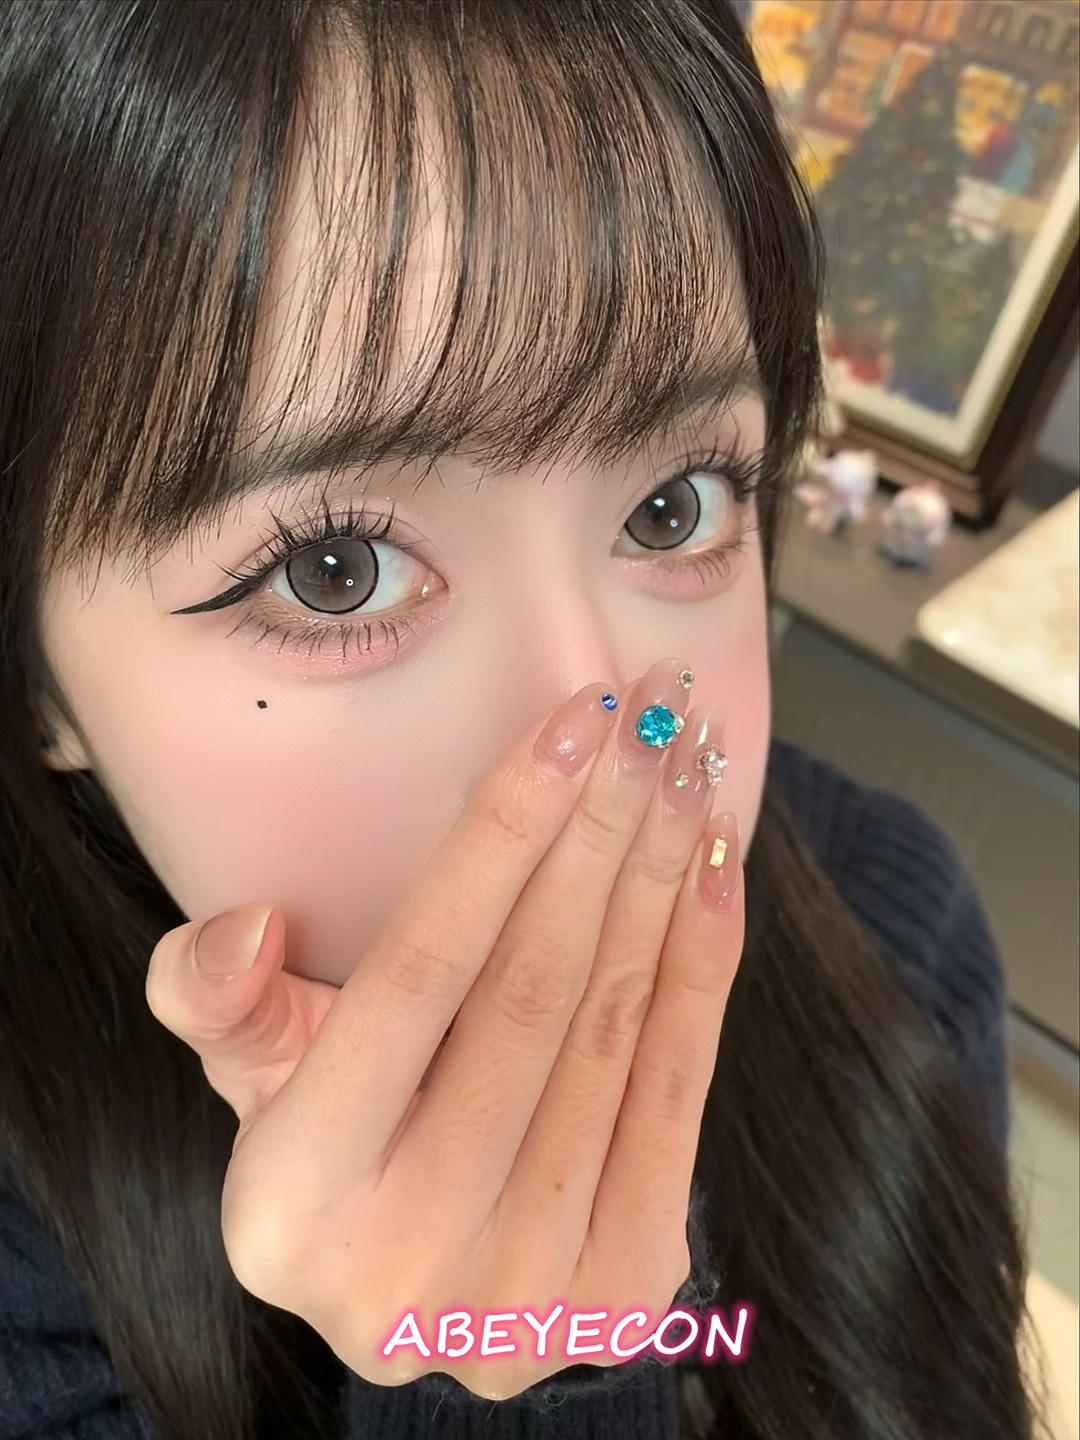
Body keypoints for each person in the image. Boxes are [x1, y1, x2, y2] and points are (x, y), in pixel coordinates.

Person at [0, 3, 1043, 1437]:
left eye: (672, 504)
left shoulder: (895, 945)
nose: (592, 722)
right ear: (37, 682)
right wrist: (497, 1368)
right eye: (334, 568)